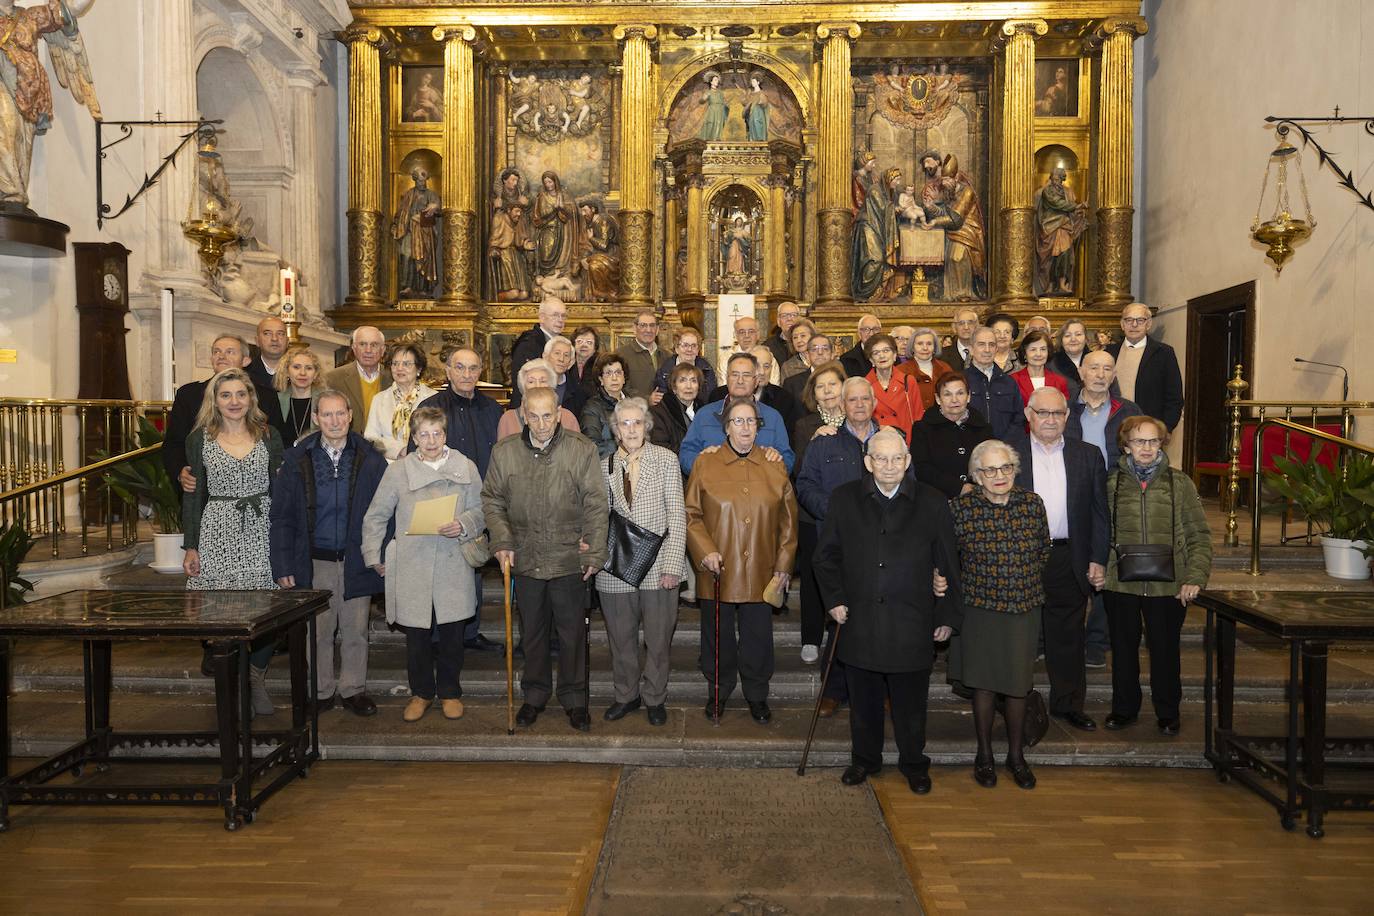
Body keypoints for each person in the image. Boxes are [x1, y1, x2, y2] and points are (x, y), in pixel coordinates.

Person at [814, 428, 961, 794]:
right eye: (881, 458)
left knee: (911, 704)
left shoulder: (933, 501)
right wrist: (834, 600)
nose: (890, 465)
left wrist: (945, 615)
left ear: (908, 460)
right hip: (859, 618)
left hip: (912, 621)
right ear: (868, 462)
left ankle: (914, 763)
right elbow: (825, 556)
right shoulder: (844, 498)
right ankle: (865, 760)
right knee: (863, 704)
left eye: (897, 458)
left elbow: (948, 563)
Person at [483, 387, 609, 732]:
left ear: (559, 414)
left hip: (570, 557)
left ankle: (574, 698)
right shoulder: (504, 451)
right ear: (523, 414)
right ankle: (535, 695)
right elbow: (492, 500)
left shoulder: (581, 449)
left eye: (547, 415)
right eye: (533, 416)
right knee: (533, 634)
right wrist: (502, 541)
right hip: (525, 556)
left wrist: (595, 551)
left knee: (571, 635)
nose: (541, 424)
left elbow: (596, 503)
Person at [362, 406, 487, 723]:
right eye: (424, 434)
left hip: (452, 560)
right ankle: (421, 693)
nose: (431, 441)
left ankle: (450, 692)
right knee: (416, 636)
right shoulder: (399, 471)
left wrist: (462, 523)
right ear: (414, 437)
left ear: (445, 434)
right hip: (412, 562)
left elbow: (483, 510)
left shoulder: (465, 466)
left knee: (451, 635)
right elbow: (376, 515)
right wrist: (373, 556)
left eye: (437, 433)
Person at [270, 389, 386, 717]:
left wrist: (381, 555)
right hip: (314, 559)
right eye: (327, 414)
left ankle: (353, 689)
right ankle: (320, 691)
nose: (334, 421)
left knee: (355, 629)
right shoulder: (297, 459)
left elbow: (385, 511)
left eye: (340, 414)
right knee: (318, 630)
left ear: (350, 415)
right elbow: (281, 516)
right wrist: (282, 563)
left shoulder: (370, 459)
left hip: (355, 558)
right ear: (317, 418)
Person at [685, 397, 798, 723]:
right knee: (716, 636)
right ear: (726, 426)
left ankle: (757, 695)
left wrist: (783, 565)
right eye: (739, 421)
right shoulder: (706, 464)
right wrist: (705, 551)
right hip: (717, 568)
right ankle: (717, 691)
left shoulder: (774, 465)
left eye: (751, 421)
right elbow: (691, 514)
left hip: (762, 569)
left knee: (758, 637)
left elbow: (789, 523)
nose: (746, 427)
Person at [181, 368, 285, 717]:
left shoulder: (269, 435)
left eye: (241, 394)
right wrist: (191, 546)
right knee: (221, 611)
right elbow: (193, 498)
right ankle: (234, 683)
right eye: (226, 395)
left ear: (251, 398)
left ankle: (255, 674)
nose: (234, 401)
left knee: (267, 610)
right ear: (215, 400)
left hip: (262, 529)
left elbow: (281, 489)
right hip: (217, 528)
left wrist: (285, 540)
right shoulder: (199, 439)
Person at [948, 439, 1050, 790]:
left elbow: (1043, 550)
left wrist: (1020, 578)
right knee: (985, 684)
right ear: (977, 475)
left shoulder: (1032, 504)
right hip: (980, 608)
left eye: (1005, 467)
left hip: (1023, 606)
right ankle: (985, 755)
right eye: (990, 470)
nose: (999, 475)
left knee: (1019, 685)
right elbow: (949, 559)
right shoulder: (960, 509)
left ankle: (1017, 756)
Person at [1103, 416, 1212, 737]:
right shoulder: (1113, 484)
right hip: (1120, 582)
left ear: (1162, 444)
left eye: (1153, 441)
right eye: (1139, 441)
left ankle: (1168, 712)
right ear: (1126, 445)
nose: (1147, 448)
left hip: (1170, 584)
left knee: (1165, 651)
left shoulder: (1180, 483)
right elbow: (1101, 533)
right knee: (1123, 651)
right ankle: (1124, 709)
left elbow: (1199, 534)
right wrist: (1102, 569)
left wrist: (1194, 576)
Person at [1012, 389, 1108, 732]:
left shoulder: (1089, 455)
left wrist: (1098, 558)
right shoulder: (1011, 455)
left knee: (1067, 637)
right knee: (1019, 637)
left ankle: (1068, 705)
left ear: (1067, 417)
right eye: (1043, 413)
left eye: (1057, 413)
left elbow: (1100, 513)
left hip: (1070, 555)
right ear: (1029, 414)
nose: (1050, 420)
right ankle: (1014, 707)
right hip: (1021, 557)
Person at [596, 398, 687, 727]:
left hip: (658, 563)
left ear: (646, 426)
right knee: (620, 639)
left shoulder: (665, 459)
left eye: (637, 422)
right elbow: (598, 518)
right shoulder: (603, 465)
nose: (631, 429)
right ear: (616, 429)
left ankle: (654, 697)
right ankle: (626, 695)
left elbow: (677, 515)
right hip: (616, 565)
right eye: (624, 424)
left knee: (659, 639)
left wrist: (673, 566)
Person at [415, 346, 504, 653]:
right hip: (441, 501)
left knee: (474, 563)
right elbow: (418, 455)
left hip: (480, 502)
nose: (467, 374)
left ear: (481, 372)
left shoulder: (493, 410)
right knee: (442, 570)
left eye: (473, 368)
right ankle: (440, 637)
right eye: (460, 367)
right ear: (448, 371)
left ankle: (470, 631)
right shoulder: (431, 407)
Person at [796, 376, 877, 705]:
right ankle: (833, 689)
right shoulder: (823, 443)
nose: (859, 405)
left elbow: (908, 482)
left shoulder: (890, 440)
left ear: (874, 403)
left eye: (864, 399)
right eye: (852, 400)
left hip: (880, 544)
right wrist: (836, 512)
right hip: (837, 541)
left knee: (875, 617)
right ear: (842, 405)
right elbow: (805, 485)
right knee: (840, 617)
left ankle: (878, 688)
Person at [164, 334, 279, 494]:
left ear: (245, 360)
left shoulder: (266, 396)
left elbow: (276, 442)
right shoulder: (188, 394)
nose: (222, 356)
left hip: (256, 488)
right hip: (203, 489)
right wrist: (180, 471)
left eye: (230, 352)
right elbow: (174, 442)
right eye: (217, 352)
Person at [680, 352, 794, 474]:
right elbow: (686, 454)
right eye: (734, 375)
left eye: (746, 375)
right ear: (727, 379)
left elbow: (788, 460)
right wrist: (703, 461)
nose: (740, 381)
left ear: (756, 381)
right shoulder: (704, 415)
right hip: (716, 487)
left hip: (759, 488)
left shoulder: (773, 417)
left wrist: (777, 459)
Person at [910, 373, 994, 499]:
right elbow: (922, 469)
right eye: (947, 394)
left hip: (979, 498)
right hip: (937, 499)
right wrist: (958, 487)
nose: (954, 400)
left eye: (960, 393)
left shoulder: (984, 428)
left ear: (969, 396)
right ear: (938, 399)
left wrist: (976, 488)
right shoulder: (922, 429)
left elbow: (991, 464)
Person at [1107, 303, 1184, 432]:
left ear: (1148, 324)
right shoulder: (1109, 352)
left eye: (1140, 320)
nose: (1134, 325)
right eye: (1129, 320)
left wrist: (1166, 428)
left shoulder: (1163, 353)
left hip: (1149, 429)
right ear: (1122, 324)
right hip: (1113, 426)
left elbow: (1174, 397)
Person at [1067, 350, 1142, 469]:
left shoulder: (1129, 411)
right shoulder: (1064, 410)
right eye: (1094, 368)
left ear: (1113, 376)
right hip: (1075, 482)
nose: (1100, 375)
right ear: (1081, 373)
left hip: (1117, 482)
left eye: (1107, 369)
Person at [365, 343, 438, 461]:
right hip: (389, 466)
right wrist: (398, 450)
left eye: (406, 364)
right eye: (395, 364)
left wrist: (413, 450)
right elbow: (370, 438)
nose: (399, 368)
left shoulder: (434, 398)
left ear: (419, 368)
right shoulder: (379, 399)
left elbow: (440, 435)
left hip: (425, 464)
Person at [324, 326, 391, 434]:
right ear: (354, 348)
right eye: (362, 344)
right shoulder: (333, 379)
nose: (368, 350)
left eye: (374, 345)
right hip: (349, 446)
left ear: (382, 350)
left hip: (385, 446)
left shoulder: (393, 378)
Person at [964, 326, 1025, 440]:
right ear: (971, 349)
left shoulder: (1009, 382)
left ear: (996, 349)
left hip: (1003, 449)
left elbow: (1019, 418)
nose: (987, 350)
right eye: (981, 344)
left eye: (991, 345)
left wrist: (1004, 444)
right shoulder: (961, 381)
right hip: (970, 449)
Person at [497, 358, 581, 440]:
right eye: (531, 382)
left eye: (543, 381)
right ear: (522, 387)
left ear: (552, 386)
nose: (537, 386)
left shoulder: (567, 418)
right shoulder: (508, 419)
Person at [508, 297, 568, 408]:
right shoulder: (528, 344)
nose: (560, 320)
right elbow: (522, 385)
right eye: (555, 315)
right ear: (542, 318)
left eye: (563, 316)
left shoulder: (565, 344)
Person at [865, 333, 923, 441]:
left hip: (904, 441)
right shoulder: (864, 385)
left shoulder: (908, 381)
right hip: (877, 442)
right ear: (871, 360)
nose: (882, 356)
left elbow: (918, 417)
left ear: (895, 355)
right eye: (876, 353)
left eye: (886, 351)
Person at [791, 361, 848, 470]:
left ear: (844, 387)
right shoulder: (803, 425)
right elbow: (798, 470)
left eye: (832, 384)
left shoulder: (856, 420)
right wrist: (813, 443)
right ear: (814, 394)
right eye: (820, 386)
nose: (827, 391)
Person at [273, 343, 324, 447]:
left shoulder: (325, 401)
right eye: (296, 367)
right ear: (287, 371)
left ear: (315, 374)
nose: (303, 373)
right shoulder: (275, 400)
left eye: (309, 368)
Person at [580, 352, 628, 458]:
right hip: (607, 466)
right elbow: (591, 445)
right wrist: (623, 455)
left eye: (618, 372)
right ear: (601, 380)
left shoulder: (634, 403)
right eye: (608, 373)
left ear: (624, 378)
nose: (614, 378)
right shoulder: (592, 407)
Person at [1010, 329, 1071, 409]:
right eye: (1033, 349)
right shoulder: (1012, 380)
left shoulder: (1060, 382)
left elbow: (1063, 411)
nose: (1038, 354)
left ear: (1048, 352)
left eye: (1043, 349)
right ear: (1025, 353)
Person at [650, 362, 702, 454]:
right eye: (683, 380)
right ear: (674, 388)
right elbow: (660, 447)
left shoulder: (704, 411)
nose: (689, 386)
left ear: (698, 386)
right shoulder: (659, 412)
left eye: (693, 381)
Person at [898, 327, 953, 410]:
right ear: (912, 347)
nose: (925, 348)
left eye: (929, 344)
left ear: (935, 347)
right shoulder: (901, 371)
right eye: (920, 344)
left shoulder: (945, 368)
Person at [616, 310, 667, 401]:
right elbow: (619, 387)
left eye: (652, 325)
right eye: (643, 325)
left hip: (664, 412)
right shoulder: (620, 355)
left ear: (657, 329)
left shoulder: (667, 355)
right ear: (634, 329)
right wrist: (647, 400)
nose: (648, 330)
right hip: (634, 411)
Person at [652, 326, 718, 396]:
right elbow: (662, 399)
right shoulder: (665, 371)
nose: (689, 349)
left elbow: (711, 396)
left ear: (698, 350)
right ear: (677, 348)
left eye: (694, 345)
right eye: (685, 345)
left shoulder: (707, 370)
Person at [246, 316, 289, 404]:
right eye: (267, 333)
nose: (274, 339)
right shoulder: (245, 374)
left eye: (280, 333)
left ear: (287, 341)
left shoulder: (299, 374)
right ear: (257, 341)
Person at [544, 334, 588, 418]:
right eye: (557, 353)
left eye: (566, 355)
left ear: (571, 362)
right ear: (545, 356)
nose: (561, 359)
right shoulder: (535, 384)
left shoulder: (578, 393)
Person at [783, 333, 835, 400]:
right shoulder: (792, 384)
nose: (820, 352)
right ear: (807, 355)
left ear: (832, 354)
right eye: (814, 349)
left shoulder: (842, 379)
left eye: (825, 348)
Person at [1049, 318, 1091, 393]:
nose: (1073, 339)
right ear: (1061, 340)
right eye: (1067, 335)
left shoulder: (1098, 359)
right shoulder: (1050, 364)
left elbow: (1114, 394)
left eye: (1078, 334)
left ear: (1086, 339)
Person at [839, 314, 882, 379]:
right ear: (859, 333)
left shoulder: (890, 357)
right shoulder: (846, 360)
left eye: (875, 329)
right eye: (866, 329)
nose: (871, 333)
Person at [764, 301, 802, 366]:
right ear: (778, 321)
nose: (789, 319)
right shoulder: (768, 346)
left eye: (793, 315)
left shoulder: (807, 343)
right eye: (784, 316)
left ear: (799, 319)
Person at [571, 326, 601, 395]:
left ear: (595, 348)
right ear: (573, 345)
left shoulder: (600, 366)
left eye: (589, 342)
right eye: (579, 341)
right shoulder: (567, 364)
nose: (584, 345)